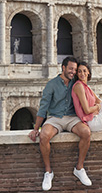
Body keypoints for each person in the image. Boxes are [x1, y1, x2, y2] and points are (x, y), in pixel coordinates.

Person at [29, 56, 92, 191]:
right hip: (54, 118)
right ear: (63, 68)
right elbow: (43, 108)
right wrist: (36, 129)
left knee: (86, 132)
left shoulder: (77, 83)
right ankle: (48, 172)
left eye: (75, 70)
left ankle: (79, 168)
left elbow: (89, 93)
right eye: (71, 69)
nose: (73, 72)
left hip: (72, 118)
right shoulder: (51, 84)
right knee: (44, 136)